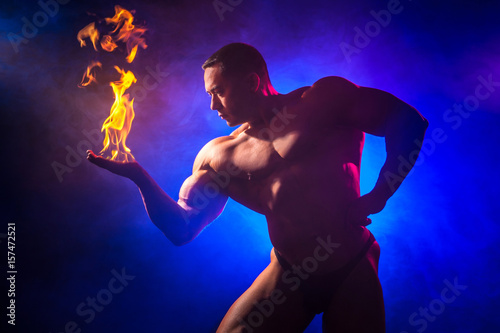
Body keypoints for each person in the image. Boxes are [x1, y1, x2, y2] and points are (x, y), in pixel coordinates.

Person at [87, 42, 428, 332]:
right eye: (209, 95)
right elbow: (182, 229)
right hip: (288, 273)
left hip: (350, 266)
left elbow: (409, 123)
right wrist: (138, 176)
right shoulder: (217, 155)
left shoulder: (323, 101)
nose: (212, 105)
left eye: (218, 92)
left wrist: (380, 194)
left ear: (252, 81)